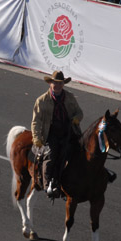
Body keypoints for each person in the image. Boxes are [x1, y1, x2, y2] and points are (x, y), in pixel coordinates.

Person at [31, 71, 83, 199]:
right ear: (50, 83)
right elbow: (36, 121)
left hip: (69, 131)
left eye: (60, 83)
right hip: (51, 133)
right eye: (55, 83)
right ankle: (48, 185)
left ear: (63, 84)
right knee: (51, 155)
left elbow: (79, 112)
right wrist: (37, 138)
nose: (57, 85)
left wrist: (76, 118)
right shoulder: (41, 101)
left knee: (83, 151)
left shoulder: (70, 97)